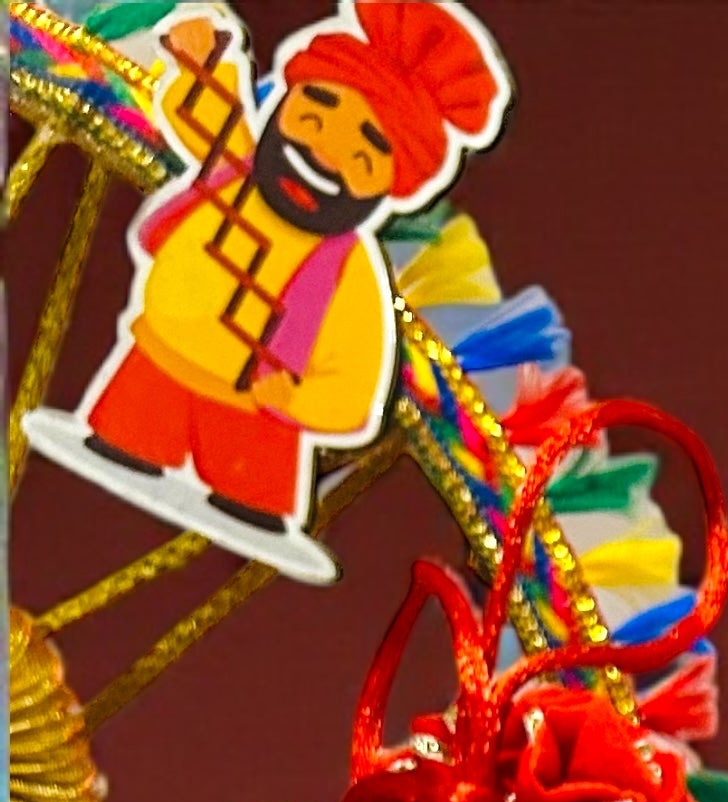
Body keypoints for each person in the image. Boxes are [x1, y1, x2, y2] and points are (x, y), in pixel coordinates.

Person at [22, 0, 510, 583]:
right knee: (129, 429)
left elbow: (354, 380)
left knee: (253, 483)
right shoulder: (236, 163)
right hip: (160, 360)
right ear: (287, 104)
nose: (323, 153)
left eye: (362, 154)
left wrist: (298, 399)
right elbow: (203, 112)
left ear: (393, 182)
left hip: (257, 413)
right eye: (315, 113)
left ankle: (251, 505)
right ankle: (125, 444)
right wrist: (203, 58)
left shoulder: (350, 273)